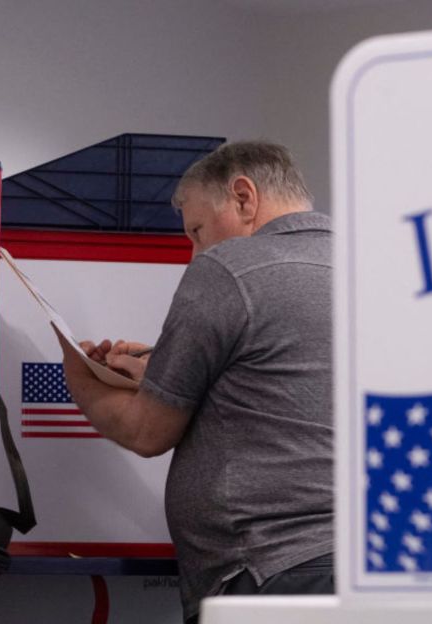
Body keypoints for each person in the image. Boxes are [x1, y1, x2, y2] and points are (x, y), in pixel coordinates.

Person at [57, 140, 334, 623]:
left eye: (198, 231)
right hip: (377, 567)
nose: (195, 254)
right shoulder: (375, 269)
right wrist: (166, 372)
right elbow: (287, 390)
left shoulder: (229, 269)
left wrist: (80, 378)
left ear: (244, 198)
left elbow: (148, 432)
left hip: (271, 571)